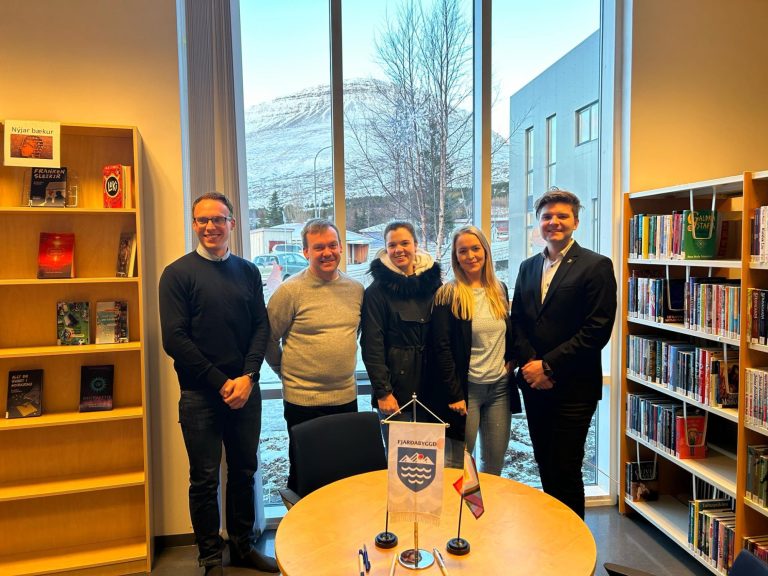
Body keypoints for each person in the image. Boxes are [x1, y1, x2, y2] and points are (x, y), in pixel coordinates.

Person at [159, 192, 278, 575]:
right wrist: (222, 382)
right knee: (204, 479)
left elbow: (260, 327)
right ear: (194, 224)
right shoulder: (177, 274)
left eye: (218, 219)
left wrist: (249, 377)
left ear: (232, 224)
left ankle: (242, 547)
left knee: (244, 472)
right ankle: (210, 558)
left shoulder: (248, 272)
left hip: (246, 391)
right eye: (203, 220)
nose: (210, 226)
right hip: (200, 396)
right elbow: (174, 339)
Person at [510, 188, 616, 519]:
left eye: (562, 216)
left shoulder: (596, 266)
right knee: (545, 462)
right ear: (538, 222)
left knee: (566, 467)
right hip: (535, 386)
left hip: (573, 388)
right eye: (547, 217)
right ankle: (552, 532)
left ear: (576, 222)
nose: (553, 222)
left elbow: (597, 329)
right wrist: (531, 366)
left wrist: (548, 366)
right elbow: (518, 321)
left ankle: (572, 541)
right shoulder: (528, 267)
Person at [266, 218, 364, 492]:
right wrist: (283, 371)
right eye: (318, 247)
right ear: (306, 252)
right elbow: (268, 339)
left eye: (332, 245)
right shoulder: (289, 291)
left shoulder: (356, 290)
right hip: (302, 401)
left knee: (343, 475)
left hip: (345, 399)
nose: (327, 253)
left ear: (341, 247)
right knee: (305, 475)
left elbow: (353, 333)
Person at [432, 225, 521, 473]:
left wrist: (511, 361)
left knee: (494, 464)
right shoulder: (448, 294)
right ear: (455, 256)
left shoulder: (499, 289)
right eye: (463, 251)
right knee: (456, 465)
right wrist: (454, 394)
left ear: (485, 251)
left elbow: (509, 332)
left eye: (475, 248)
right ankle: (456, 502)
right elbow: (441, 349)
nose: (470, 256)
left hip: (499, 389)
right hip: (466, 391)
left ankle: (483, 502)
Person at [360, 221, 442, 447]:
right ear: (385, 249)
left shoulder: (434, 285)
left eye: (405, 243)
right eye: (392, 245)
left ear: (416, 244)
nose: (399, 250)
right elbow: (372, 346)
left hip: (433, 388)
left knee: (431, 459)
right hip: (395, 392)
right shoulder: (376, 292)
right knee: (401, 460)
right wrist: (383, 393)